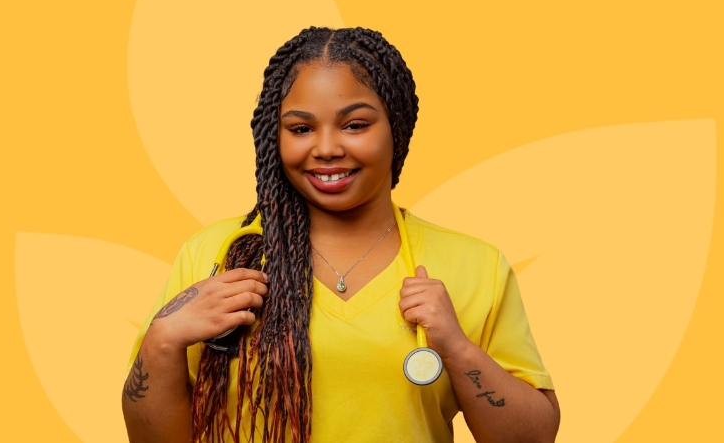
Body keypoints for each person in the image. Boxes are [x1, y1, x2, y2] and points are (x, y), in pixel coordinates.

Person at [122, 27, 560, 443]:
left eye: (355, 125)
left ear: (396, 126)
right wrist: (163, 339)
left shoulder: (476, 266)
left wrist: (458, 348)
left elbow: (534, 437)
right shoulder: (215, 255)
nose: (327, 148)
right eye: (300, 128)